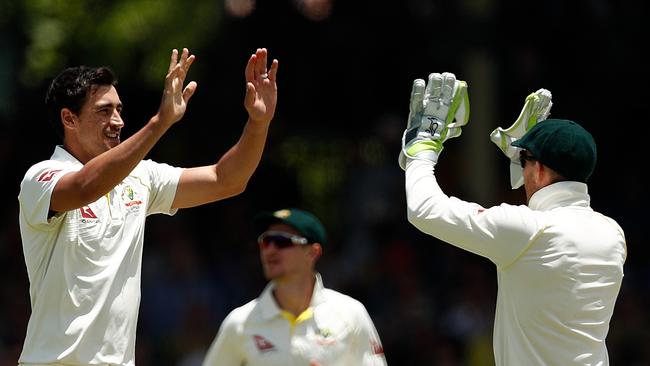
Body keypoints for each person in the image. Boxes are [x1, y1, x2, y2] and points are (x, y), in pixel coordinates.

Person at [17, 47, 278, 365]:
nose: (118, 120)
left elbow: (226, 179)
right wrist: (160, 121)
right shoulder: (42, 177)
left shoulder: (139, 176)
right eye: (104, 111)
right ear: (69, 118)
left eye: (119, 109)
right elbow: (87, 186)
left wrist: (258, 123)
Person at [399, 72, 626, 365]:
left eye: (525, 161)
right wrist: (525, 159)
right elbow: (548, 229)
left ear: (540, 170)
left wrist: (422, 150)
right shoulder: (613, 234)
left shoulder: (528, 231)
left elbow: (424, 210)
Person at [202, 208, 387, 366]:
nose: (270, 250)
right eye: (266, 241)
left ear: (313, 252)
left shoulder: (351, 314)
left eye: (282, 241)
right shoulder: (239, 323)